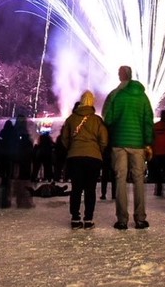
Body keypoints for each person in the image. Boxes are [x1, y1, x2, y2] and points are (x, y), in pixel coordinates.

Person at [104, 66, 154, 230]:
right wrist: (147, 142)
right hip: (138, 143)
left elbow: (108, 119)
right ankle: (140, 218)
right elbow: (148, 121)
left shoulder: (116, 95)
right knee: (139, 179)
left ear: (121, 76)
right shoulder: (143, 96)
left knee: (120, 180)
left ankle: (122, 220)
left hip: (119, 143)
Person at [61, 90, 108, 228]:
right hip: (93, 158)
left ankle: (75, 217)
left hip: (75, 157)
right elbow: (104, 140)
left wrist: (72, 148)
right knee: (90, 189)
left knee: (76, 188)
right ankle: (88, 218)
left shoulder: (71, 119)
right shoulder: (97, 120)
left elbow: (64, 138)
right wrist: (98, 150)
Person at [149, 109, 165, 196]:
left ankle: (159, 190)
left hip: (157, 152)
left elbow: (151, 138)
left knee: (158, 174)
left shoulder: (155, 126)